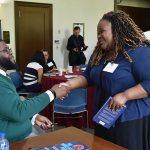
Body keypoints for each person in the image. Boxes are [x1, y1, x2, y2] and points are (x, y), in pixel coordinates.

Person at [59, 10, 150, 150]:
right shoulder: (100, 54)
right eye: (97, 33)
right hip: (103, 117)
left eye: (102, 31)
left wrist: (126, 95)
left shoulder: (138, 51)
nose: (99, 36)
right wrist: (68, 85)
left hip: (129, 122)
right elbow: (88, 76)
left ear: (118, 31)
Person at [0, 40, 69, 142]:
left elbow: (10, 107)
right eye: (6, 50)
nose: (11, 52)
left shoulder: (4, 77)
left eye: (9, 49)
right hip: (11, 142)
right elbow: (19, 110)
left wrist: (33, 117)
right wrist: (52, 93)